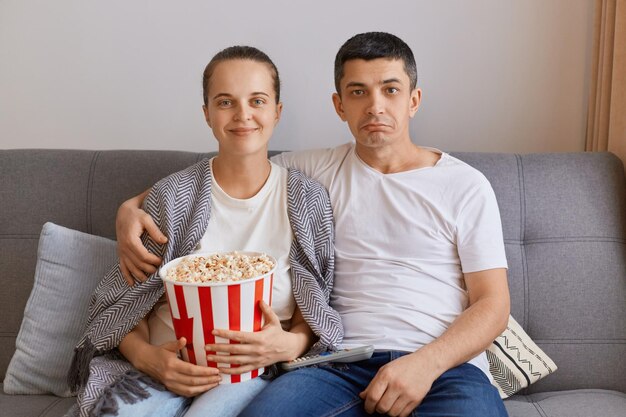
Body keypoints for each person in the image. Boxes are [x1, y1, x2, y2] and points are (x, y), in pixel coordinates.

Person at [117, 32, 510, 417]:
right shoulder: (311, 172)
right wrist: (130, 209)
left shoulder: (464, 185)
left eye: (390, 90)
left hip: (443, 368)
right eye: (358, 92)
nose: (375, 106)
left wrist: (425, 364)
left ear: (414, 100)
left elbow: (493, 305)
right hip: (336, 364)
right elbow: (224, 174)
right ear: (339, 105)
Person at [67, 45, 343, 417]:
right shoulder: (174, 196)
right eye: (225, 102)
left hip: (253, 372)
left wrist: (291, 344)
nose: (243, 115)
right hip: (165, 366)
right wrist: (150, 359)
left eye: (257, 101)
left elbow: (315, 304)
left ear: (277, 112)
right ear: (207, 114)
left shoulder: (307, 201)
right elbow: (126, 302)